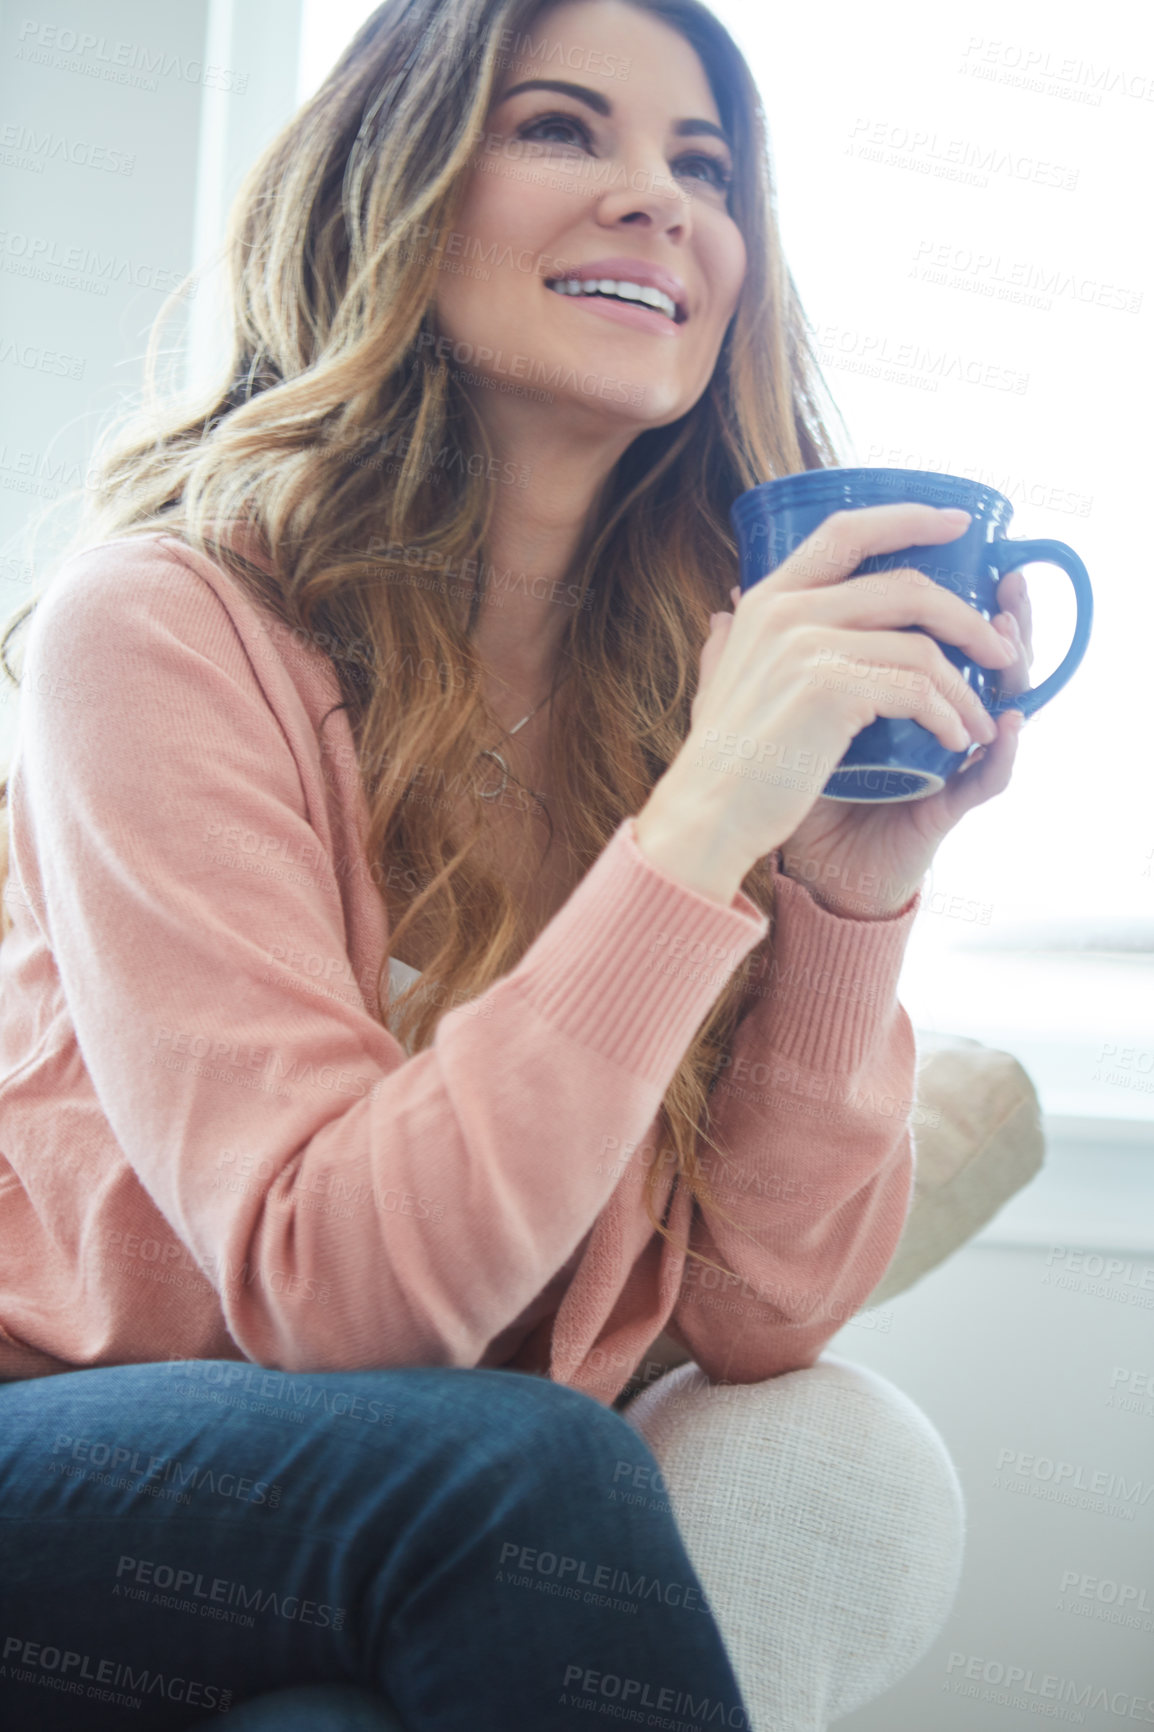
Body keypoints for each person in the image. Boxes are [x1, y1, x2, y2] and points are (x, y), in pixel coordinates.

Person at [0, 0, 1033, 1726]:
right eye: (563, 130)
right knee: (515, 1479)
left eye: (703, 166)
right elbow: (333, 1301)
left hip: (397, 1508)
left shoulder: (685, 686)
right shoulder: (167, 628)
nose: (660, 200)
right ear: (387, 194)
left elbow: (761, 1320)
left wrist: (849, 886)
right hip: (66, 1441)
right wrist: (701, 820)